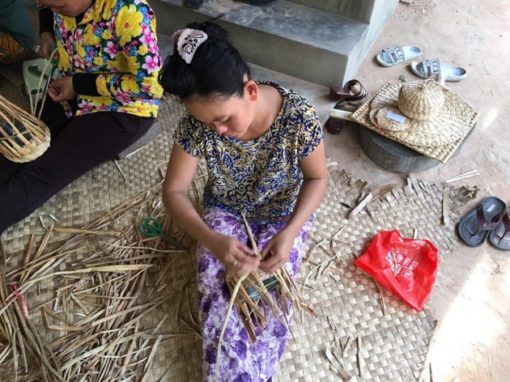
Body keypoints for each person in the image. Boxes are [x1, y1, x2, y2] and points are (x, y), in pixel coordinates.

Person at [159, 21, 328, 382]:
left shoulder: (298, 117)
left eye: (223, 119)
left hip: (283, 213)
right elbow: (173, 192)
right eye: (208, 123)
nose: (217, 130)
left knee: (272, 295)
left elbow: (317, 177)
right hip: (226, 209)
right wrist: (212, 239)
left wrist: (292, 231)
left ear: (250, 90)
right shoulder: (198, 125)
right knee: (217, 283)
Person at [0, 0, 163, 233]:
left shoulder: (131, 12)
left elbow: (150, 85)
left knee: (41, 174)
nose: (51, 9)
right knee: (18, 146)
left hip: (120, 108)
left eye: (60, 7)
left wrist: (78, 84)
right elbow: (47, 5)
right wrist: (46, 31)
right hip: (69, 87)